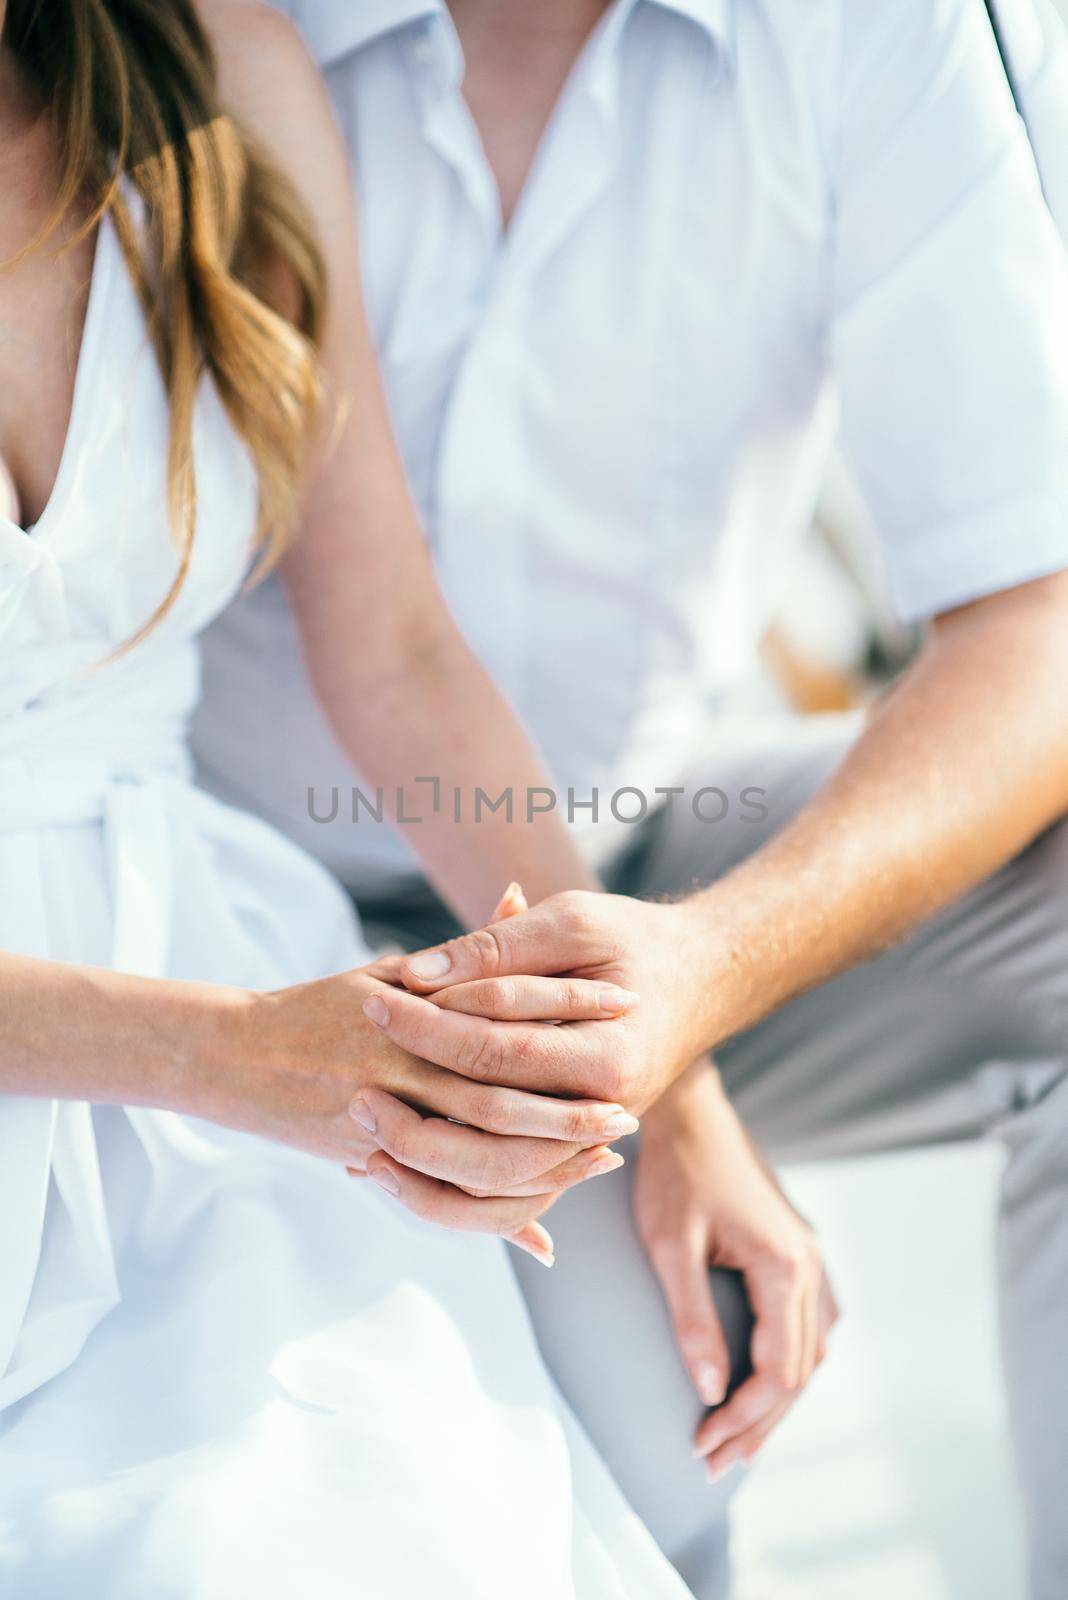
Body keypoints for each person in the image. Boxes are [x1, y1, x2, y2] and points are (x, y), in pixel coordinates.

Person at [195, 1, 1068, 1596]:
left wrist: (696, 992)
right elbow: (379, 635)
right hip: (233, 912)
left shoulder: (886, 36)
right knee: (661, 1427)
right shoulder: (197, 39)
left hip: (639, 863)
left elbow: (1040, 621)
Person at [0, 2, 710, 1594]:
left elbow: (392, 646)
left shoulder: (218, 66)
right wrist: (232, 1053)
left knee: (377, 1513)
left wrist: (661, 1078)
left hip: (207, 1023)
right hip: (196, 1043)